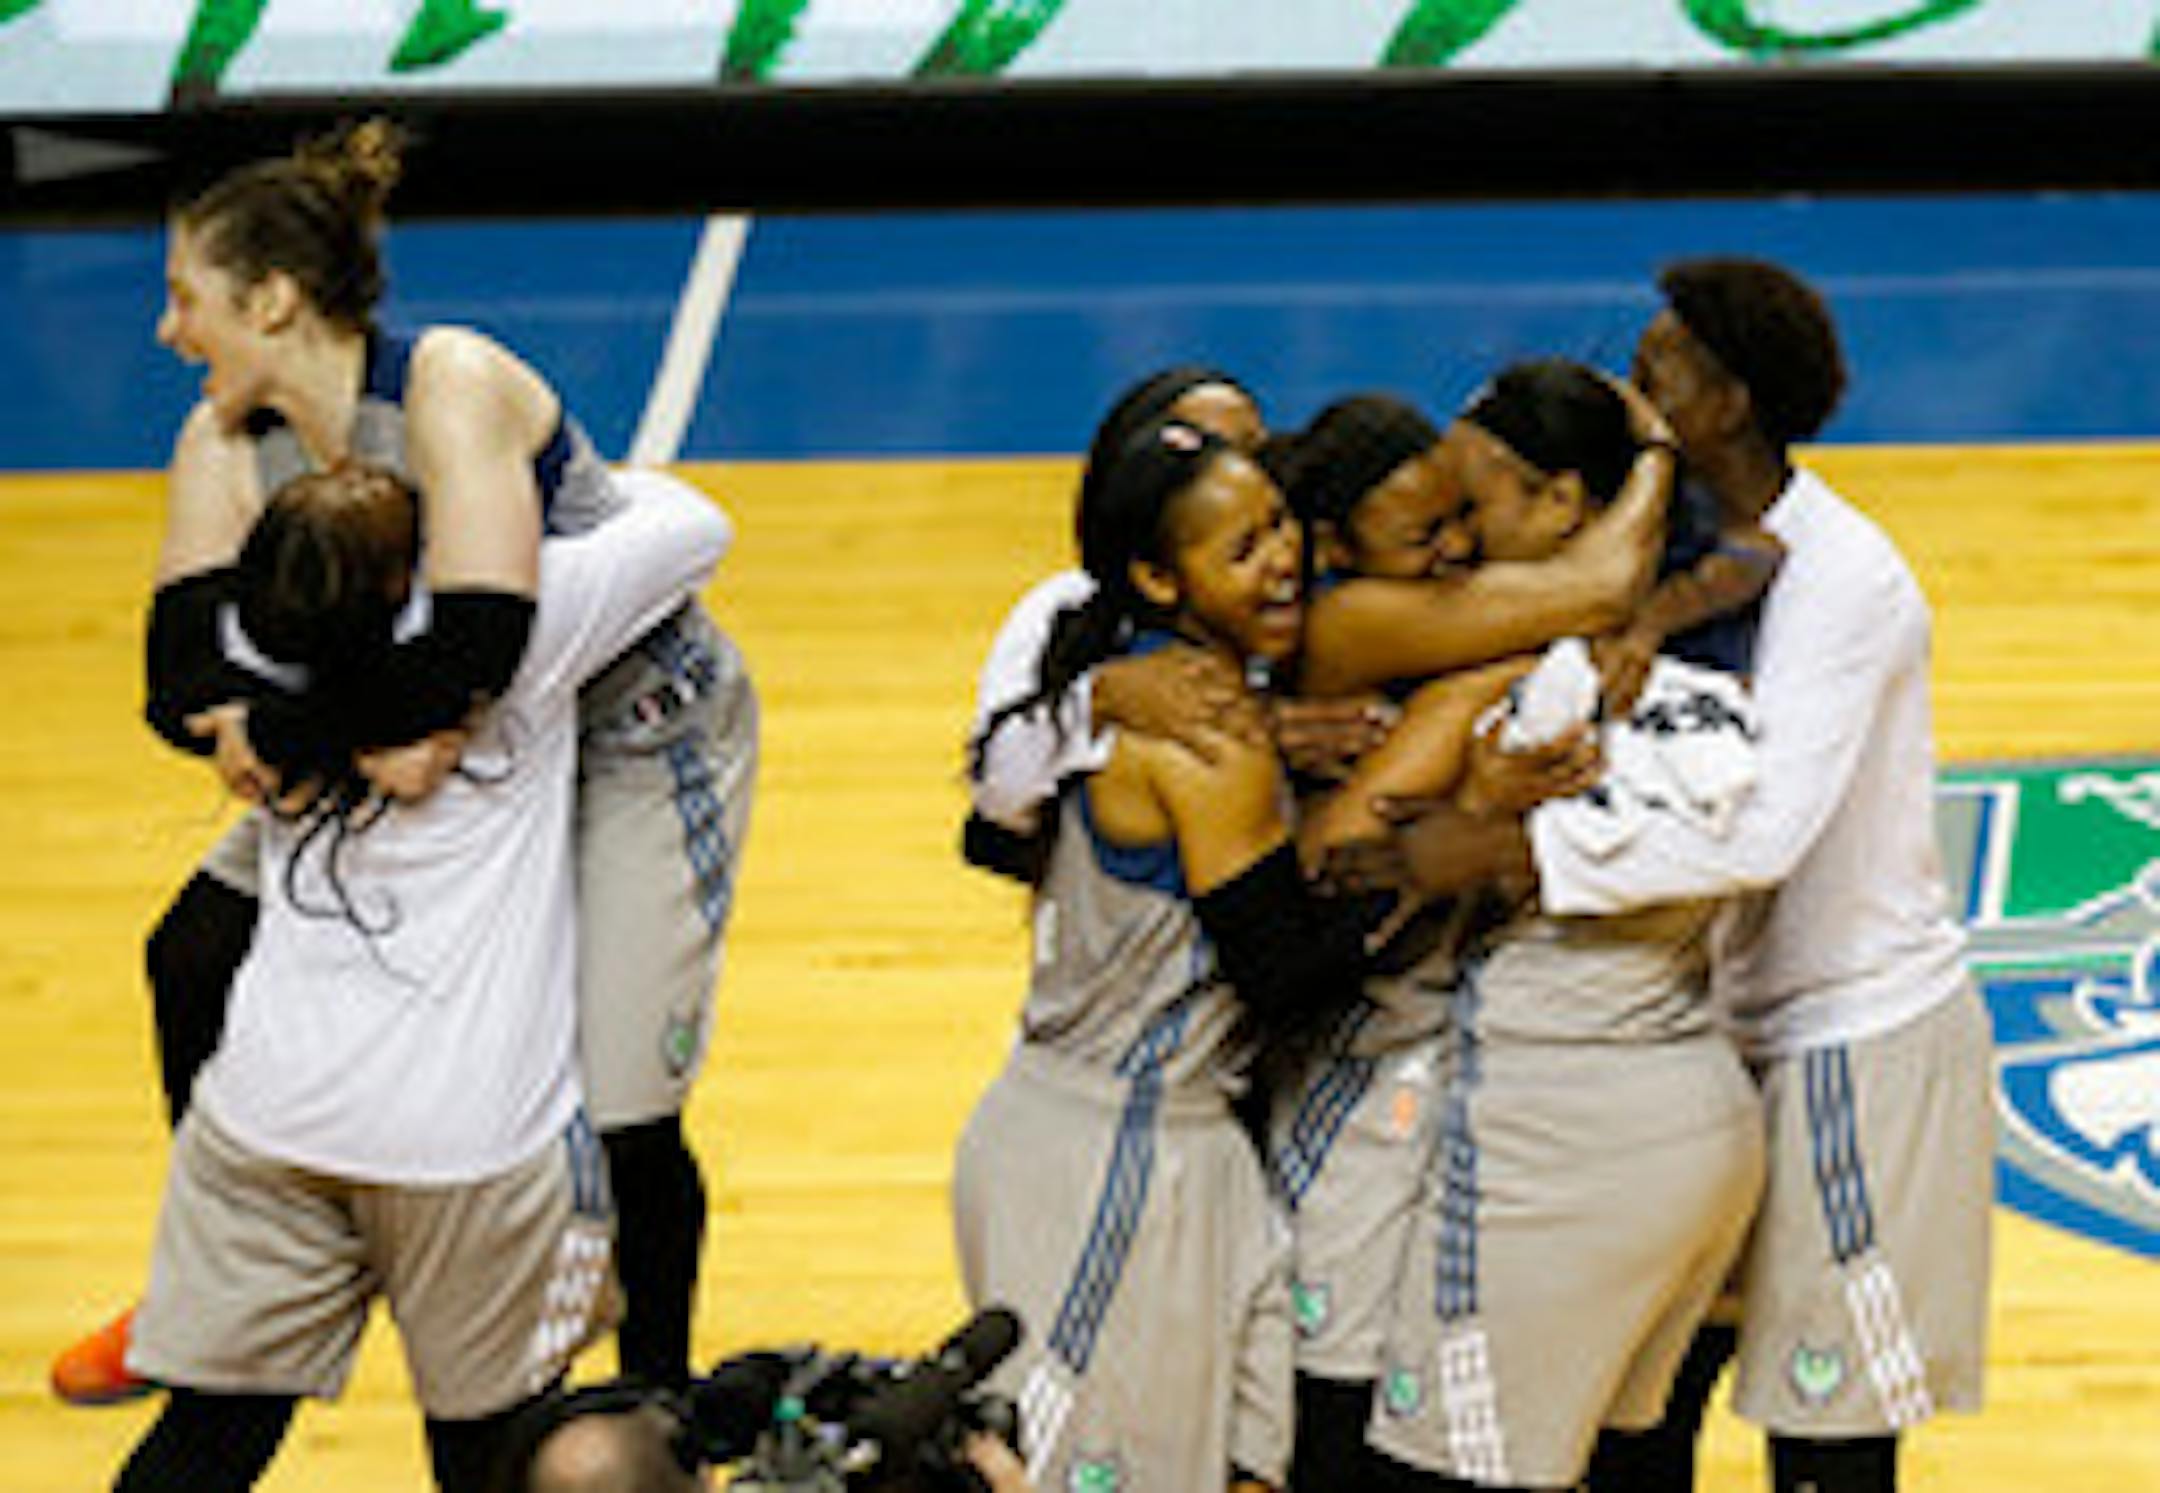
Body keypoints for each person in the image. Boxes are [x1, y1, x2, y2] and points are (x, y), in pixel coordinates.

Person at [57, 116, 755, 1403]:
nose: (165, 330)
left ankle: (656, 1406)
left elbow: (481, 648)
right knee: (192, 951)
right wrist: (278, 726)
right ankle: (214, 1268)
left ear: (271, 299)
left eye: (185, 297)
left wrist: (277, 728)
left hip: (624, 726)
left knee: (624, 1103)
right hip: (409, 728)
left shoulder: (448, 383)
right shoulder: (227, 437)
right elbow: (178, 676)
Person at [1330, 262, 1993, 1493]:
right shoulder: (1685, 547)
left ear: (1729, 402)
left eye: (1657, 373)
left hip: (1849, 1037)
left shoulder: (1846, 578)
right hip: (1710, 1039)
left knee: (1827, 1434)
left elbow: (1760, 838)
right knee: (1654, 1410)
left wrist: (1505, 848)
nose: (1633, 398)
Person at [112, 459, 734, 1492]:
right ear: (413, 579)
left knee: (204, 1443)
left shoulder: (241, 664)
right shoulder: (521, 636)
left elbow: (194, 563)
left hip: (263, 1130)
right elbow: (695, 523)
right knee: (493, 1458)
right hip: (465, 1149)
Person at [1298, 360, 1765, 1492]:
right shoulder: (1697, 668)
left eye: (1467, 510)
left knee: (1381, 1452)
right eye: (1429, 526)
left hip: (1511, 1119)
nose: (1457, 547)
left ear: (1562, 503)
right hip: (1701, 1114)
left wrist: (1472, 817)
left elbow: (1327, 875)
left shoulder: (1522, 680)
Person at [952, 419, 1371, 1493]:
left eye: (1278, 524)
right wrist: (1441, 851)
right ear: (1157, 576)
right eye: (1243, 546)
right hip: (1111, 1152)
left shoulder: (1169, 689)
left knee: (1245, 1465)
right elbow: (1285, 975)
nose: (1282, 557)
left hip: (1180, 1140)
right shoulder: (1200, 733)